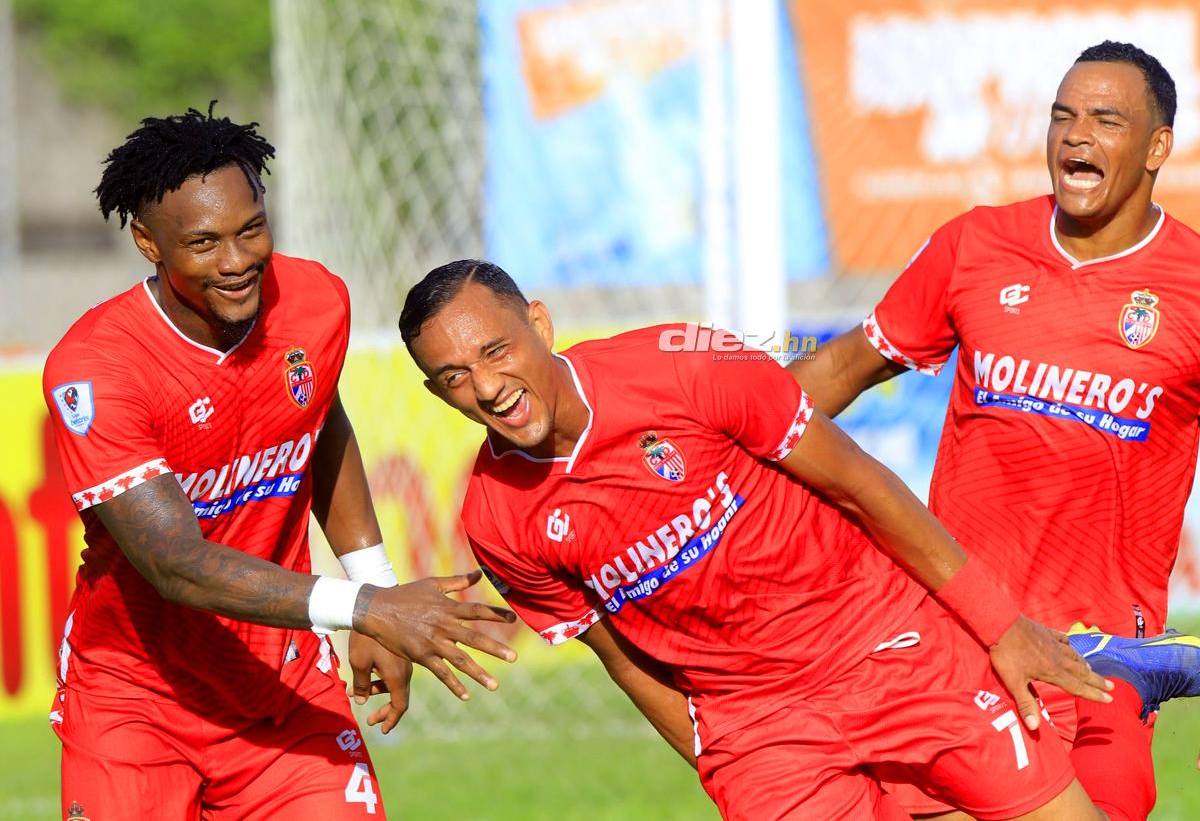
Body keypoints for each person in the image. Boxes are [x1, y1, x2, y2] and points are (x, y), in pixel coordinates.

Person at [400, 259, 1121, 821]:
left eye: (497, 351)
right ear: (438, 394)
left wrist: (999, 626)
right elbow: (622, 661)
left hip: (884, 642)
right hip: (757, 723)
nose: (490, 387)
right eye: (456, 376)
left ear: (540, 325)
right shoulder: (496, 521)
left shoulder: (684, 365)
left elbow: (859, 483)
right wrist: (716, 761)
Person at [42, 105, 517, 820]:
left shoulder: (316, 302)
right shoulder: (97, 371)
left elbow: (319, 423)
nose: (236, 262)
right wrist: (369, 608)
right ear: (148, 242)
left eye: (250, 230)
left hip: (281, 683)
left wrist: (372, 586)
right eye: (203, 243)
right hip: (136, 703)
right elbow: (175, 563)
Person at [785, 41, 1200, 820]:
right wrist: (712, 434)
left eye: (1106, 120)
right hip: (960, 636)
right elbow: (838, 371)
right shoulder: (976, 245)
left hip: (1102, 654)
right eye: (1062, 117)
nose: (1076, 137)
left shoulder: (1193, 283)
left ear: (1156, 148)